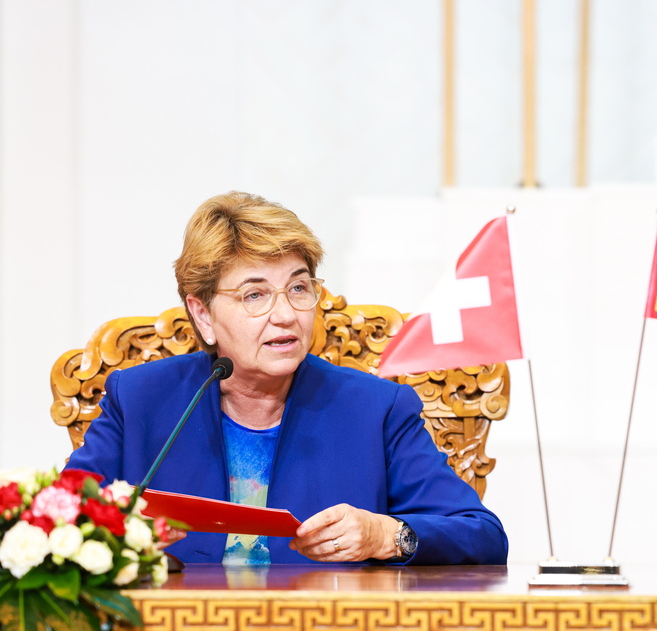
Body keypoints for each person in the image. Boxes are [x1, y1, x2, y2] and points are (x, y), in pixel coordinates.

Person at [67, 191, 507, 566]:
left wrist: (387, 535)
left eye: (298, 288)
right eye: (254, 295)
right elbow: (62, 516)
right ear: (202, 315)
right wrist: (120, 538)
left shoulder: (376, 409)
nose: (286, 316)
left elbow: (483, 535)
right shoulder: (141, 399)